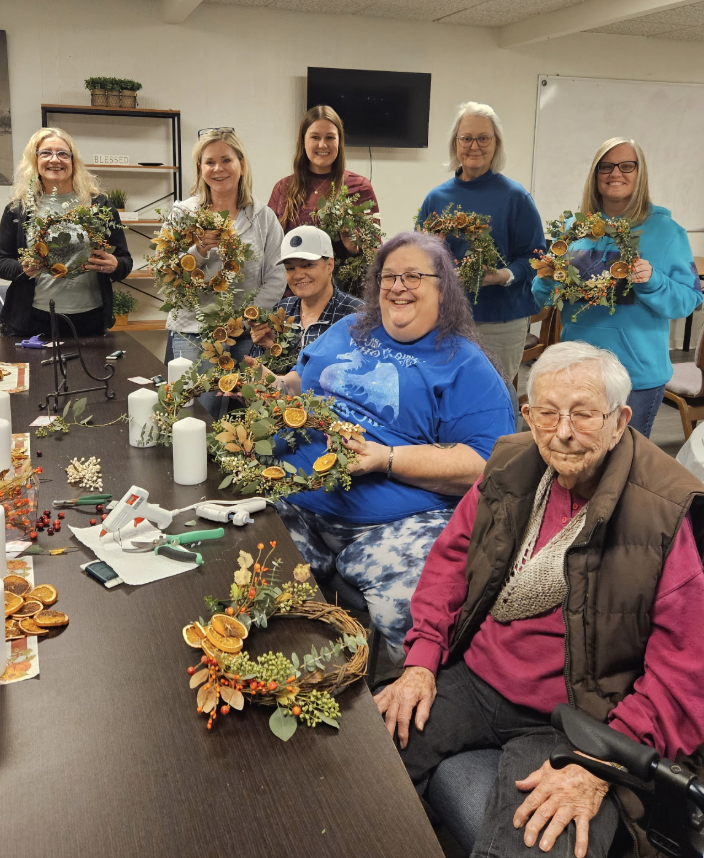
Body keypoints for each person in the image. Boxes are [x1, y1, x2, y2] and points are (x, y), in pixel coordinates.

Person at [375, 341, 704, 858]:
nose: (564, 433)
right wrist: (420, 662)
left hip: (585, 715)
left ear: (620, 421)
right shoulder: (509, 463)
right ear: (528, 414)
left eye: (583, 415)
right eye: (547, 413)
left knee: (535, 847)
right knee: (360, 760)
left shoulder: (666, 510)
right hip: (476, 678)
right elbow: (450, 566)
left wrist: (601, 763)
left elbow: (686, 672)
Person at [247, 231, 514, 661]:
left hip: (396, 522)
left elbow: (485, 465)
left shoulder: (465, 364)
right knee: (250, 595)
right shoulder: (349, 326)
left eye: (413, 276)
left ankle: (390, 704)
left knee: (410, 621)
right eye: (388, 276)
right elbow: (302, 380)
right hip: (296, 498)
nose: (397, 287)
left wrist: (388, 459)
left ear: (442, 287)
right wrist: (273, 386)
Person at [532, 137, 702, 439]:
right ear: (595, 175)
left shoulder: (667, 232)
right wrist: (547, 276)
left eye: (626, 166)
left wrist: (653, 280)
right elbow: (539, 295)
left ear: (640, 173)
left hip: (636, 376)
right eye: (606, 166)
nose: (615, 173)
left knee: (624, 468)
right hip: (577, 371)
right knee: (575, 460)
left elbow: (688, 300)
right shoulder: (574, 231)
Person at [417, 101, 545, 384]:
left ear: (496, 143)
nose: (474, 146)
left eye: (483, 138)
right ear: (455, 143)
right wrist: (431, 249)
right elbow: (418, 261)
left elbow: (535, 257)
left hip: (501, 321)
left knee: (495, 395)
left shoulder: (516, 198)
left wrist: (502, 276)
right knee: (446, 393)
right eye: (466, 138)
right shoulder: (436, 199)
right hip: (445, 318)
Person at [164, 128, 286, 414]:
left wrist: (242, 321)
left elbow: (276, 277)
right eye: (209, 162)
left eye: (226, 160)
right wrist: (198, 252)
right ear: (200, 168)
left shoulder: (263, 218)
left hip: (245, 334)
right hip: (192, 331)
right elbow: (168, 275)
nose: (218, 169)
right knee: (193, 413)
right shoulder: (183, 214)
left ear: (241, 165)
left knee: (242, 416)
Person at [0, 127, 132, 337]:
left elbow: (125, 261)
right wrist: (21, 268)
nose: (55, 160)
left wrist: (115, 265)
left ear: (73, 161)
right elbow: (2, 261)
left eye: (63, 153)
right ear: (35, 160)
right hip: (33, 318)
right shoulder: (19, 209)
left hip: (89, 317)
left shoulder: (99, 205)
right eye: (46, 153)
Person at [268, 105, 379, 274]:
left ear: (339, 142)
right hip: (292, 292)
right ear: (303, 141)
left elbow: (375, 254)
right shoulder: (283, 189)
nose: (322, 145)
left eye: (329, 137)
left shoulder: (359, 187)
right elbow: (270, 250)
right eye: (315, 137)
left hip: (342, 294)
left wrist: (354, 247)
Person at [249, 224, 363, 365]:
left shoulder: (357, 315)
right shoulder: (282, 310)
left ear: (330, 265)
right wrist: (270, 348)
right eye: (290, 268)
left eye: (307, 265)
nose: (298, 275)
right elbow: (257, 373)